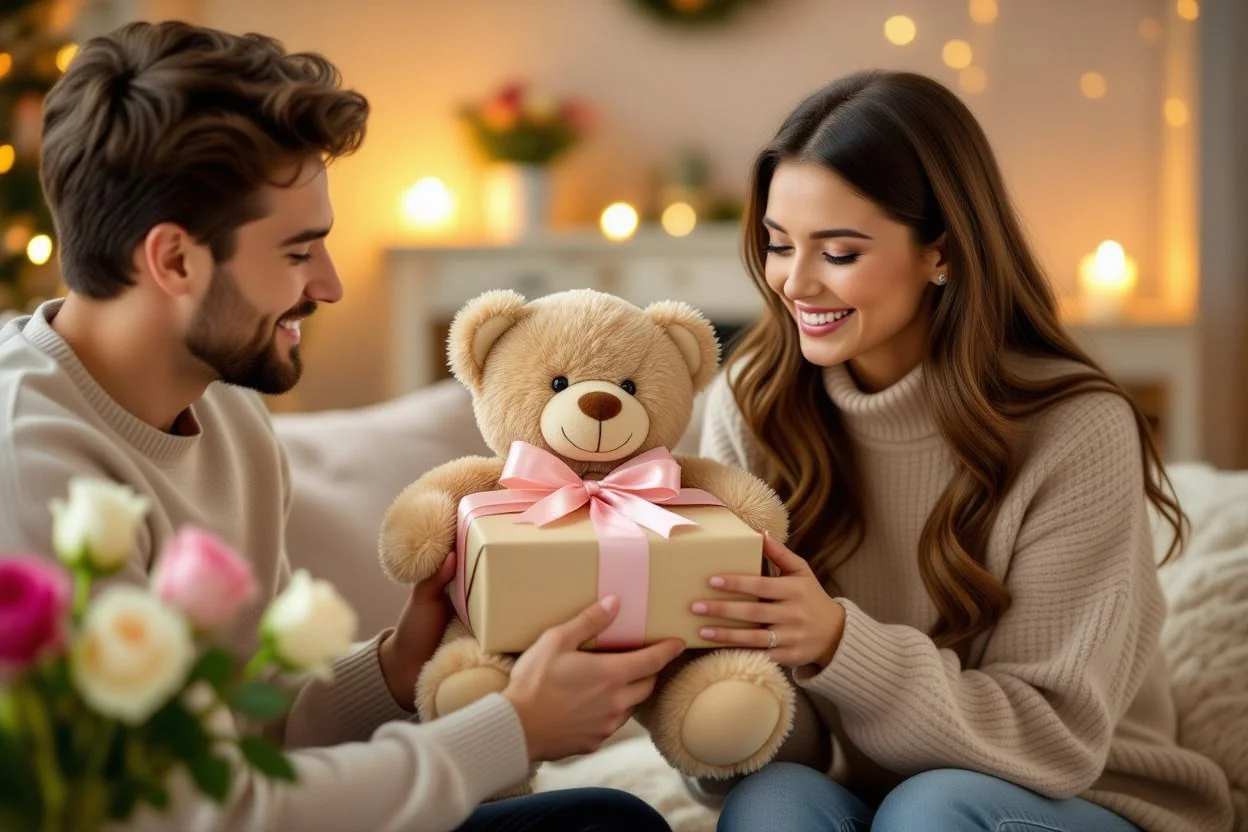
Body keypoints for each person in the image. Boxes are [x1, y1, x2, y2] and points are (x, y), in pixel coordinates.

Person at [0, 20, 682, 832]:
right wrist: (513, 732)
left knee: (604, 824)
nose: (328, 286)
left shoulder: (228, 413)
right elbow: (182, 812)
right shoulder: (29, 466)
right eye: (298, 252)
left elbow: (256, 725)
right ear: (175, 260)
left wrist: (397, 664)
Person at [685, 70, 1235, 832]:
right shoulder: (753, 403)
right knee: (770, 803)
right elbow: (787, 747)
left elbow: (1055, 740)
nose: (795, 283)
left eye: (838, 253)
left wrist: (840, 642)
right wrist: (714, 688)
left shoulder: (1077, 428)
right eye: (778, 245)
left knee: (931, 810)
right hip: (873, 792)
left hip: (1082, 795)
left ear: (938, 253)